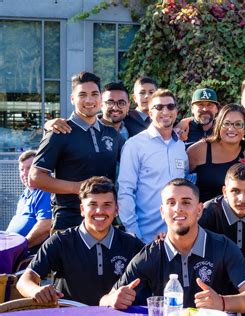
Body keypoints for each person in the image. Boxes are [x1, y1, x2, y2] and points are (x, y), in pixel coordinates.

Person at [100, 178, 245, 313]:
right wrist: (113, 299)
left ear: (199, 210)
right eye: (171, 203)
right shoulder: (150, 254)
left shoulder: (223, 247)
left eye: (186, 202)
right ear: (162, 212)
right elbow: (104, 300)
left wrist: (222, 302)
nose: (178, 209)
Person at [16, 177, 144, 306]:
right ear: (82, 209)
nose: (99, 211)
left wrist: (162, 239)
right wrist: (36, 290)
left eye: (107, 205)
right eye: (93, 205)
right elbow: (24, 281)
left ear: (116, 210)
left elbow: (158, 266)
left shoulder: (131, 243)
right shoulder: (60, 241)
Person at [29, 72, 123, 231]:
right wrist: (78, 187)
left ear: (100, 98)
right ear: (72, 98)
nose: (89, 100)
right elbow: (35, 178)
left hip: (106, 221)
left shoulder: (112, 134)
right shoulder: (59, 132)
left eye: (94, 94)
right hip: (69, 223)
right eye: (82, 95)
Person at [118, 89, 188, 243]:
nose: (165, 111)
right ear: (150, 113)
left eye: (170, 107)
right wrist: (135, 235)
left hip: (177, 237)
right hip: (145, 238)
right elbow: (125, 192)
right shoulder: (134, 145)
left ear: (176, 111)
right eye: (159, 107)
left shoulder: (180, 146)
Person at [187, 103, 245, 202]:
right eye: (226, 123)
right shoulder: (199, 150)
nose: (231, 129)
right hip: (205, 214)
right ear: (218, 125)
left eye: (238, 124)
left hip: (238, 215)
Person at [43, 81, 131, 140]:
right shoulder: (81, 128)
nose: (115, 108)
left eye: (121, 103)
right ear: (101, 103)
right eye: (110, 102)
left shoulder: (134, 127)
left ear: (128, 105)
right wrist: (48, 125)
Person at [6, 150, 52, 252]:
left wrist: (19, 247)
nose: (24, 173)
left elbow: (46, 226)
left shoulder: (45, 190)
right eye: (21, 169)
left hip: (27, 255)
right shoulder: (25, 193)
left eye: (29, 168)